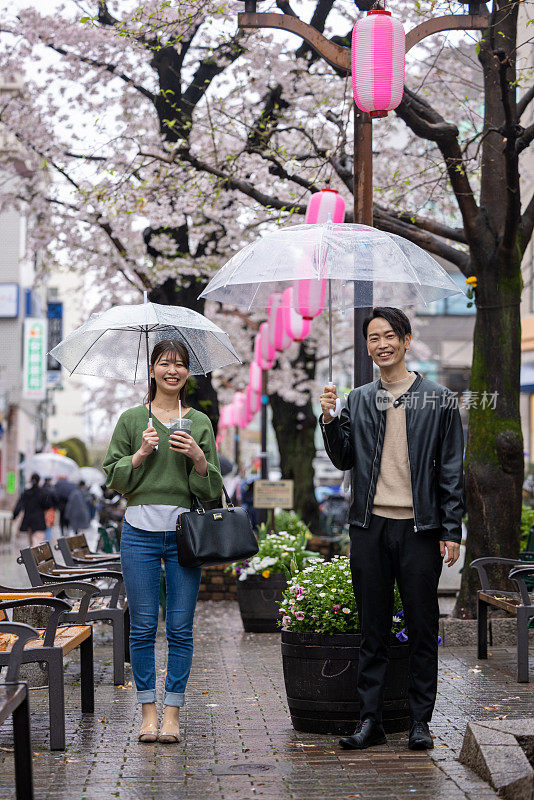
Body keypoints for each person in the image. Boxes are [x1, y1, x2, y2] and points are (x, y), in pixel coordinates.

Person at [319, 307, 463, 752]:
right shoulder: (359, 398)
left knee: (422, 628)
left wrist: (450, 528)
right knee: (373, 629)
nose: (379, 344)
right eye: (372, 338)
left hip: (419, 529)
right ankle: (370, 720)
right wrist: (329, 419)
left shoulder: (438, 399)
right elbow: (344, 458)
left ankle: (421, 722)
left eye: (387, 336)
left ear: (404, 339)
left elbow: (452, 471)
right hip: (369, 526)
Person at [103, 339, 222, 744]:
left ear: (188, 373)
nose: (173, 371)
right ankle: (148, 712)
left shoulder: (199, 422)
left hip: (184, 537)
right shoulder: (133, 419)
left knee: (181, 627)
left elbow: (211, 490)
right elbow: (113, 477)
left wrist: (198, 459)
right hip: (138, 533)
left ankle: (172, 712)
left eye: (180, 365)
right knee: (141, 627)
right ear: (151, 369)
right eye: (165, 364)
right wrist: (139, 454)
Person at [12, 472, 49, 547]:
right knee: (37, 542)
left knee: (32, 542)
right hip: (39, 521)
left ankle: (32, 557)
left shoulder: (26, 493)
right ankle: (35, 558)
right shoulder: (43, 493)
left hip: (29, 521)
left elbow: (19, 505)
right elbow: (47, 505)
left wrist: (14, 516)